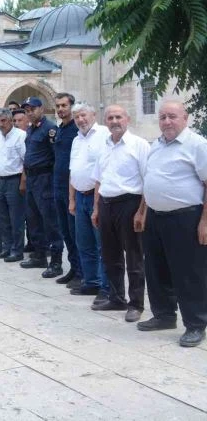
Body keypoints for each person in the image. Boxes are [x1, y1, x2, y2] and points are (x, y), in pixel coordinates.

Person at [138, 100, 207, 347]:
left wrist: (205, 222)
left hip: (186, 217)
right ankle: (164, 315)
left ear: (185, 118)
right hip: (155, 216)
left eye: (172, 117)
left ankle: (196, 324)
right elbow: (150, 180)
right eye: (163, 117)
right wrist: (142, 212)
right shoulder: (156, 145)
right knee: (156, 270)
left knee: (188, 273)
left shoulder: (197, 145)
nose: (166, 121)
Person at [91, 104, 149, 323]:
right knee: (110, 255)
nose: (114, 121)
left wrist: (141, 212)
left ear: (127, 119)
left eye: (118, 117)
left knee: (134, 256)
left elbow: (147, 181)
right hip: (106, 204)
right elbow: (98, 179)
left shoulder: (139, 145)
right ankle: (116, 298)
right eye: (110, 117)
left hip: (130, 203)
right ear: (105, 121)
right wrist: (96, 208)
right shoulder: (103, 146)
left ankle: (136, 304)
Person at [68, 103, 110, 301]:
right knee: (84, 243)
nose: (80, 120)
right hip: (80, 196)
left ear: (93, 114)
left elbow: (104, 171)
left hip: (97, 197)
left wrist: (97, 203)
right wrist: (71, 199)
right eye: (76, 117)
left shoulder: (103, 134)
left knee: (102, 245)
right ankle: (91, 282)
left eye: (83, 115)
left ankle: (106, 286)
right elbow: (73, 170)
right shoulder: (77, 139)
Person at [21, 97, 65, 277]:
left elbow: (56, 157)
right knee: (33, 219)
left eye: (32, 109)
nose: (29, 112)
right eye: (27, 110)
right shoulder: (31, 130)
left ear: (41, 109)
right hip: (32, 178)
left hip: (45, 179)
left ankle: (56, 262)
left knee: (50, 221)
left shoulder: (51, 129)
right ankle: (39, 255)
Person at [53, 93, 82, 288]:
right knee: (65, 231)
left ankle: (82, 272)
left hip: (72, 188)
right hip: (58, 185)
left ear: (71, 106)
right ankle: (73, 268)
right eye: (58, 106)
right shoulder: (60, 129)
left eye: (64, 105)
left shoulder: (77, 129)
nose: (61, 109)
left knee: (75, 232)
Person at [0, 108, 27, 262]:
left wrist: (23, 182)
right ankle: (6, 248)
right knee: (2, 218)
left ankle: (17, 250)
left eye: (3, 121)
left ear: (10, 120)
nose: (1, 124)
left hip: (15, 180)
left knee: (16, 218)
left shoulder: (20, 136)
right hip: (0, 180)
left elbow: (26, 161)